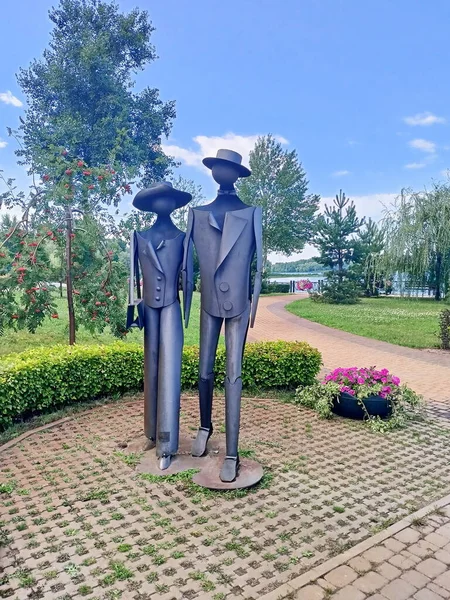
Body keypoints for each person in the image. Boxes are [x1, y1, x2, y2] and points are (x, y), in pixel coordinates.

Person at [183, 149, 262, 482]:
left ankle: (232, 451)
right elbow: (187, 262)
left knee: (233, 374)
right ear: (213, 171)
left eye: (228, 167)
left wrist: (255, 304)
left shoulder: (251, 212)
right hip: (209, 302)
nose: (222, 172)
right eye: (218, 166)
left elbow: (260, 265)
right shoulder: (197, 214)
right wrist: (186, 300)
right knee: (203, 370)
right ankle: (204, 425)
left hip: (238, 305)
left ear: (237, 173)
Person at [127, 181, 192, 470]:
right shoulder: (139, 237)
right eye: (157, 199)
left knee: (170, 370)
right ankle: (151, 432)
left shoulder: (182, 238)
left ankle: (166, 444)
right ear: (150, 205)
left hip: (170, 307)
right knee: (151, 368)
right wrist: (133, 308)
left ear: (175, 204)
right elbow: (132, 276)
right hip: (149, 310)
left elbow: (188, 277)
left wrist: (188, 308)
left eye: (168, 199)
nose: (162, 203)